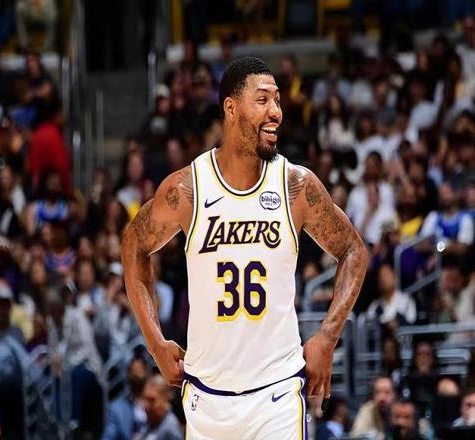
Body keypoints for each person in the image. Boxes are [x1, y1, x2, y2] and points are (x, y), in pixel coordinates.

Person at [122, 56, 369, 438]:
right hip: (206, 398)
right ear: (231, 108)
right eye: (263, 99)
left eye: (278, 101)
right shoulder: (189, 189)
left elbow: (354, 251)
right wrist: (155, 342)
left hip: (277, 394)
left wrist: (327, 336)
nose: (276, 112)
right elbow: (133, 246)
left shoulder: (295, 185)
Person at [102, 356, 149, 440]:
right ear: (128, 376)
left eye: (140, 371)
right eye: (134, 372)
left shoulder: (155, 404)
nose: (137, 376)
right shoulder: (117, 409)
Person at [141, 374, 183, 440]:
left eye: (151, 400)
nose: (146, 405)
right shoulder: (149, 423)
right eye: (145, 399)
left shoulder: (170, 429)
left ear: (165, 399)